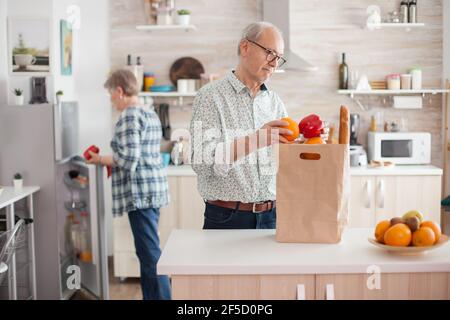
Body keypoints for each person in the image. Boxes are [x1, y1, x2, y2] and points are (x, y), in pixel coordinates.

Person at [190, 21, 292, 230]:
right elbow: (201, 162)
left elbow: (286, 158)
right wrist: (254, 141)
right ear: (245, 47)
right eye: (270, 52)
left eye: (279, 58)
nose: (274, 63)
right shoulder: (210, 97)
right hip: (227, 217)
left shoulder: (274, 102)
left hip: (272, 216)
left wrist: (310, 140)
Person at [87, 69, 171, 300]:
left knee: (150, 253)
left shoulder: (129, 116)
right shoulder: (148, 112)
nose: (112, 100)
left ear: (120, 91)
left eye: (111, 95)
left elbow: (128, 159)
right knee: (147, 252)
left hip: (140, 194)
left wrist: (100, 159)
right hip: (152, 191)